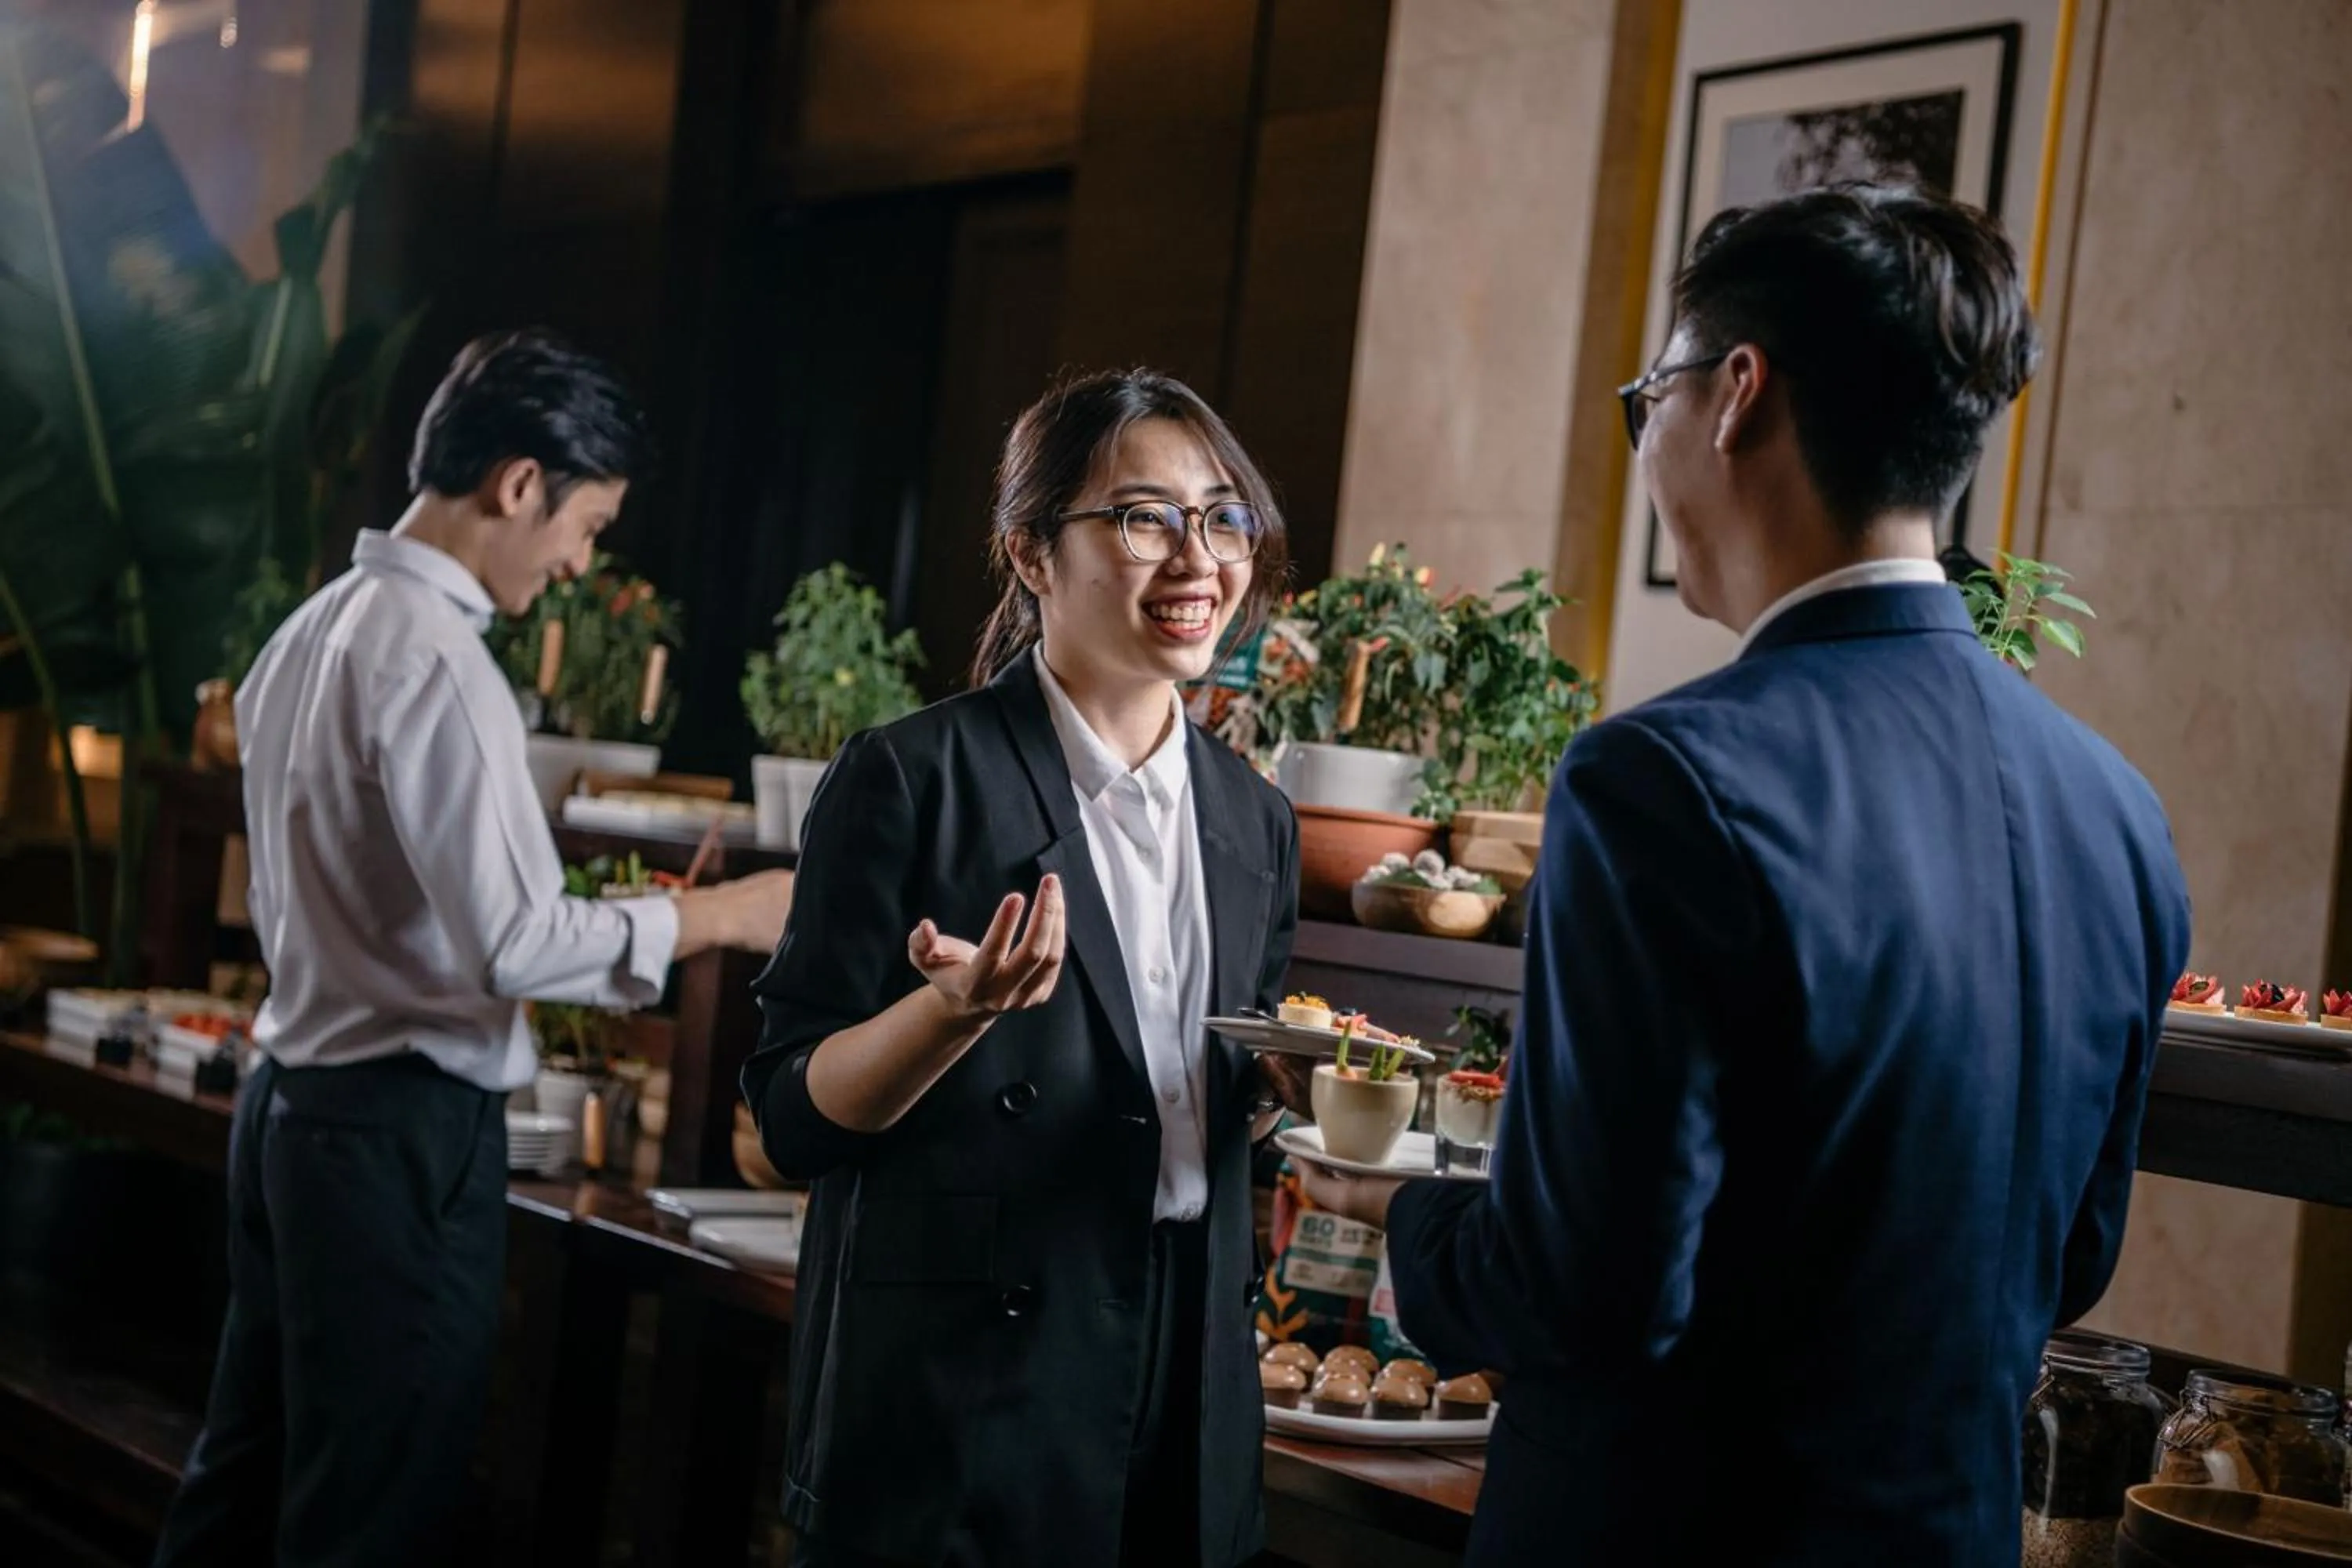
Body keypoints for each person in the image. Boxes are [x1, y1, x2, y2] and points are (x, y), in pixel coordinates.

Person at [1298, 186, 2190, 1564]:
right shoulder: (2119, 811)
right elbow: (2070, 1258)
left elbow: (1584, 1295)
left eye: (1647, 396)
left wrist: (1397, 1209)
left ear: (1735, 395)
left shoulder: (1659, 781)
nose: (1647, 438)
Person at [153, 329, 795, 1567]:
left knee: (241, 1483)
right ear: (518, 484)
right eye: (587, 526)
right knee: (372, 1516)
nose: (578, 563)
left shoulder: (313, 630)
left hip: (291, 1110)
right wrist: (727, 915)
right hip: (396, 1138)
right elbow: (515, 942)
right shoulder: (439, 659)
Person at [743, 368, 1308, 1568]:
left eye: (1223, 518)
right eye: (1144, 518)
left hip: (1190, 1380)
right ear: (1032, 553)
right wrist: (948, 1015)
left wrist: (1281, 1092)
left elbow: (1196, 1107)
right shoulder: (912, 778)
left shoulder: (1255, 820)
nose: (1198, 560)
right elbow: (791, 1119)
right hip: (968, 1397)